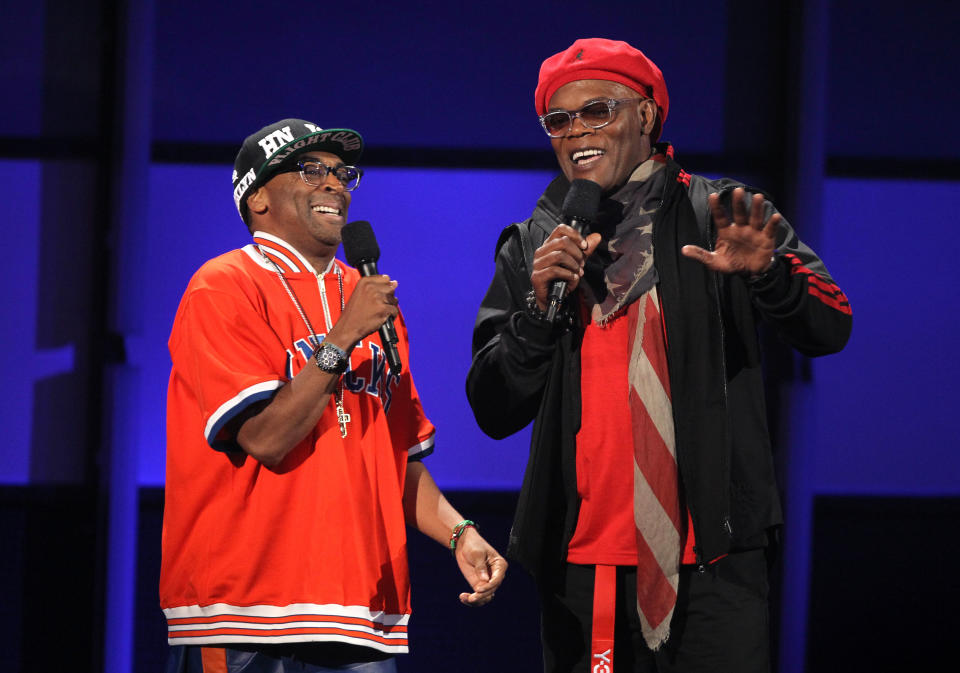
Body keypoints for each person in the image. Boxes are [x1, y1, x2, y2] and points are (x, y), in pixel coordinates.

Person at [466, 39, 851, 673]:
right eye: (558, 121)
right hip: (584, 568)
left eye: (598, 111)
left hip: (716, 561)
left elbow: (831, 325)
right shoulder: (538, 243)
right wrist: (539, 316)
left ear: (646, 117)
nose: (576, 133)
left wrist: (770, 276)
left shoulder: (720, 214)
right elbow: (493, 406)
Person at [160, 118, 507, 673]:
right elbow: (266, 438)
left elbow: (395, 460)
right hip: (246, 612)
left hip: (358, 612)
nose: (335, 184)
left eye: (342, 172)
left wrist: (460, 534)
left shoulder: (368, 298)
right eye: (310, 170)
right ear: (258, 200)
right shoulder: (223, 286)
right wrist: (341, 338)